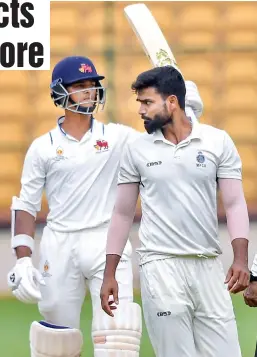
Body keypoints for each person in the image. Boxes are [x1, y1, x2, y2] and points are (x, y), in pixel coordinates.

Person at [6, 56, 203, 357]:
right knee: (55, 343)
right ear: (59, 92)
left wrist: (183, 114)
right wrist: (22, 258)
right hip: (59, 243)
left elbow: (165, 146)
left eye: (92, 86)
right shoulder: (42, 147)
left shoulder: (117, 137)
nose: (89, 92)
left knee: (118, 338)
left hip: (106, 242)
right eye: (80, 86)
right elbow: (27, 204)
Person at [100, 66, 250, 357]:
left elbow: (234, 204)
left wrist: (241, 258)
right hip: (160, 265)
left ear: (172, 102)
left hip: (208, 265)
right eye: (139, 103)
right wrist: (110, 273)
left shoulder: (217, 141)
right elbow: (122, 213)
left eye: (147, 102)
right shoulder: (136, 148)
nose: (141, 110)